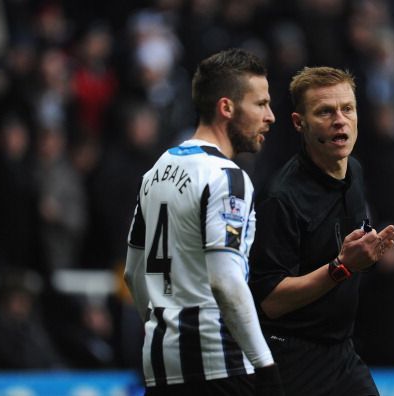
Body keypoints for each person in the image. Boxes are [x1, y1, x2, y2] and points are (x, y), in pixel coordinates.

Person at [124, 48, 284, 396]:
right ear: (226, 107)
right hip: (220, 366)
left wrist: (165, 328)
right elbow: (225, 280)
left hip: (161, 364)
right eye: (260, 104)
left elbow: (133, 274)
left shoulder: (156, 172)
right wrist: (265, 366)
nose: (270, 116)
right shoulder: (227, 178)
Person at [249, 66, 394, 396]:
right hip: (289, 360)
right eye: (325, 112)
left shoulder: (355, 172)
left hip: (340, 351)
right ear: (299, 123)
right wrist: (343, 267)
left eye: (347, 109)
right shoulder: (281, 199)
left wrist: (366, 255)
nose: (340, 119)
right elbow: (270, 302)